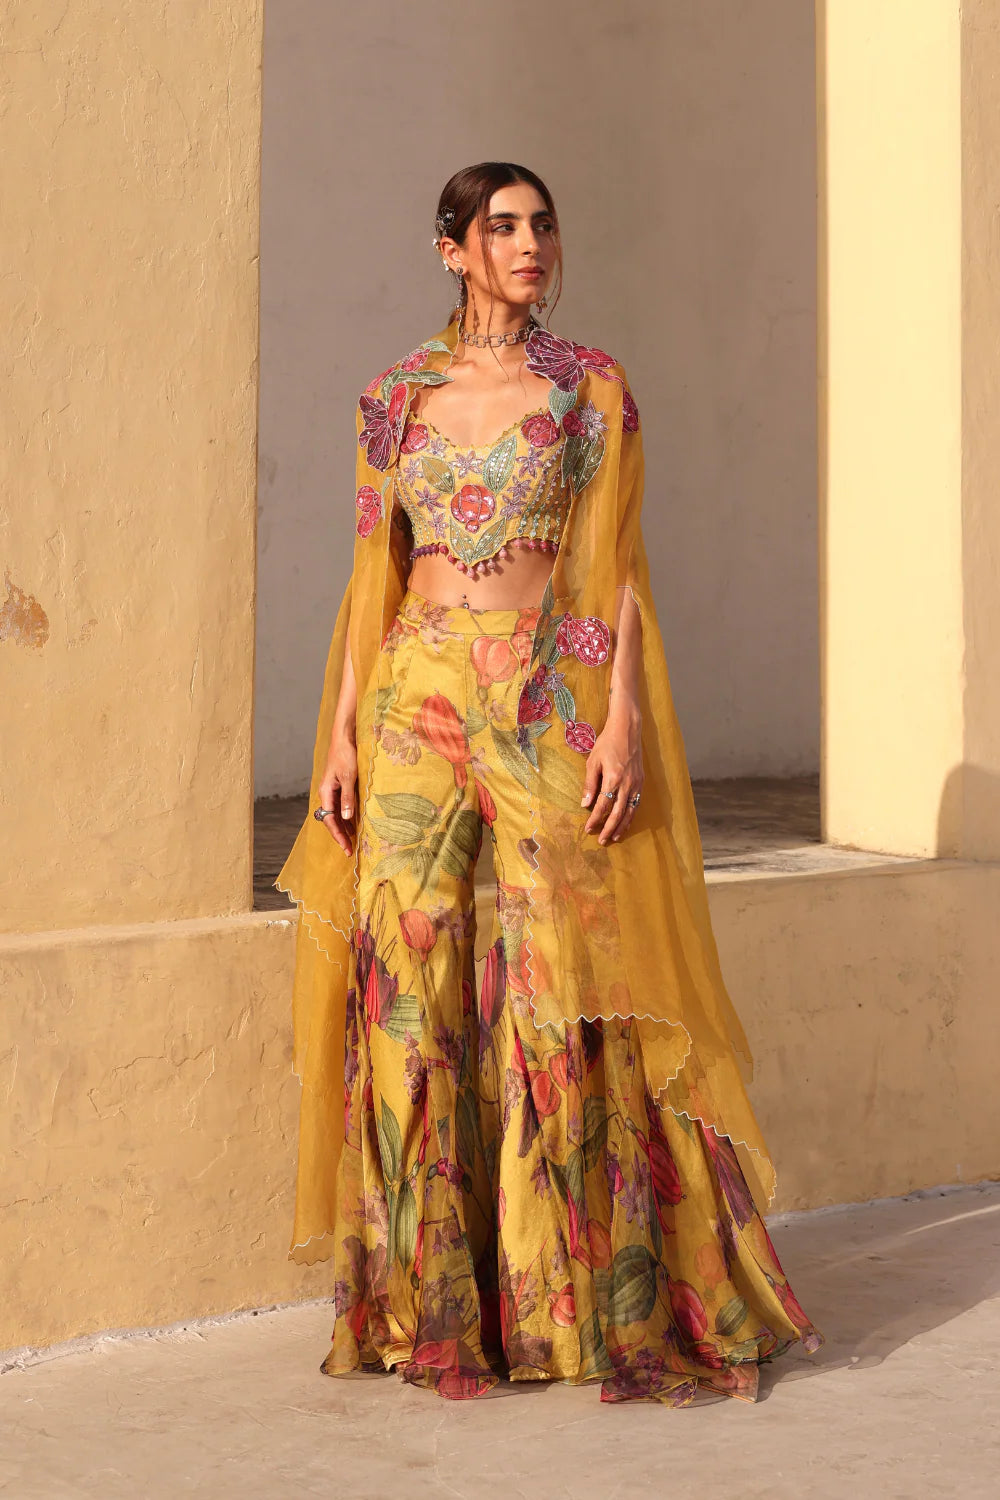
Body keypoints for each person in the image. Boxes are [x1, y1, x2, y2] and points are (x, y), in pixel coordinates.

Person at [277, 161, 823, 1405]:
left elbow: (614, 569)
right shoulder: (392, 398)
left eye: (541, 225)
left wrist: (620, 715)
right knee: (405, 987)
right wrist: (343, 735)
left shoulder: (590, 388)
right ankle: (426, 1307)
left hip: (541, 692)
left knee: (559, 978)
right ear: (451, 249)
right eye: (502, 227)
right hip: (413, 689)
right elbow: (372, 572)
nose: (529, 245)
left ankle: (566, 1304)